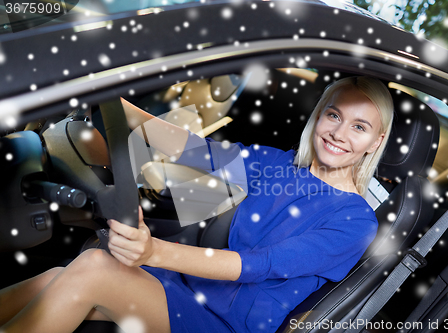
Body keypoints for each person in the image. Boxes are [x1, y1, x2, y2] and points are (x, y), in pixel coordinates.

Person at [0, 76, 393, 333]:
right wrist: (112, 104)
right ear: (319, 115)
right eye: (334, 116)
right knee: (56, 276)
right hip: (189, 289)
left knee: (94, 268)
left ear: (376, 142)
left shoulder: (355, 220)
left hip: (227, 324)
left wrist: (153, 251)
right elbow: (197, 152)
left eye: (359, 127)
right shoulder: (278, 165)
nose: (339, 134)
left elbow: (258, 265)